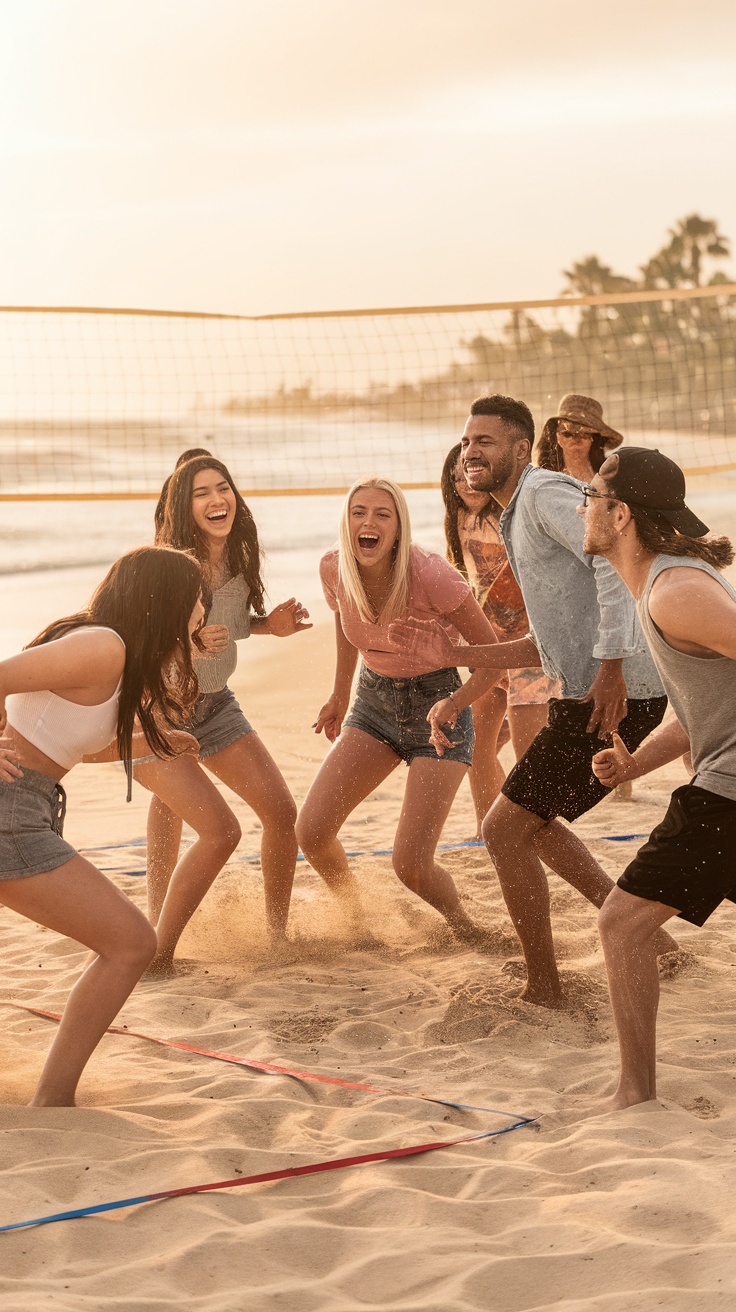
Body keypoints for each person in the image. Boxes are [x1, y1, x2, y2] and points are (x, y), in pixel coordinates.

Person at [389, 395, 676, 1007]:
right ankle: (655, 943)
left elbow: (615, 563)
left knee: (503, 830)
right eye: (467, 442)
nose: (471, 452)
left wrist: (612, 669)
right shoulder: (515, 514)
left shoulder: (542, 495)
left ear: (521, 448)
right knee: (532, 828)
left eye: (486, 442)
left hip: (616, 692)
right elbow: (543, 644)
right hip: (595, 688)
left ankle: (545, 986)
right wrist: (454, 658)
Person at [0, 546, 205, 1105]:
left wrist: (151, 742)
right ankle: (54, 1097)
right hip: (10, 811)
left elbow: (66, 744)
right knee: (132, 943)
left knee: (127, 944)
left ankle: (54, 1094)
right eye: (195, 598)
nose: (202, 609)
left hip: (27, 806)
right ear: (166, 599)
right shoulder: (104, 646)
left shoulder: (117, 659)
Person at [579, 448, 736, 1110]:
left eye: (589, 495)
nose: (581, 506)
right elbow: (710, 703)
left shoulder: (677, 591)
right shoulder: (668, 585)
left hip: (728, 793)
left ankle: (634, 1093)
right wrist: (637, 763)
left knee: (621, 925)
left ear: (618, 515)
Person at [296, 476, 502, 945]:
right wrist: (338, 694)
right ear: (346, 522)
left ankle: (464, 925)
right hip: (373, 705)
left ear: (398, 526)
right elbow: (346, 627)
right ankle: (357, 918)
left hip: (441, 709)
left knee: (410, 865)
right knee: (312, 832)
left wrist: (454, 704)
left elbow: (493, 660)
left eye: (382, 515)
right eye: (359, 513)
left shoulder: (432, 575)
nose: (368, 523)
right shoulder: (334, 567)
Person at [137, 454, 311, 973]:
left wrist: (268, 626)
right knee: (179, 814)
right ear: (181, 505)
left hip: (216, 705)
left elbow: (229, 626)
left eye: (223, 488)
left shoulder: (237, 554)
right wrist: (184, 639)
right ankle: (158, 940)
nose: (217, 500)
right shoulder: (166, 565)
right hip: (160, 713)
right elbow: (133, 641)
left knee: (281, 813)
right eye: (200, 493)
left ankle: (276, 935)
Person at [441, 443, 556, 828]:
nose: (466, 484)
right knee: (475, 747)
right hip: (488, 649)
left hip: (527, 650)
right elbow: (464, 582)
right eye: (456, 477)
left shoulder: (511, 514)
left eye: (470, 474)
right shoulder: (458, 517)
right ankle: (486, 829)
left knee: (529, 757)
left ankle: (533, 830)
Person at [536, 394, 623, 483]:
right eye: (567, 433)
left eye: (584, 434)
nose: (575, 439)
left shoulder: (608, 475)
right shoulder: (543, 478)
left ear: (594, 439)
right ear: (556, 435)